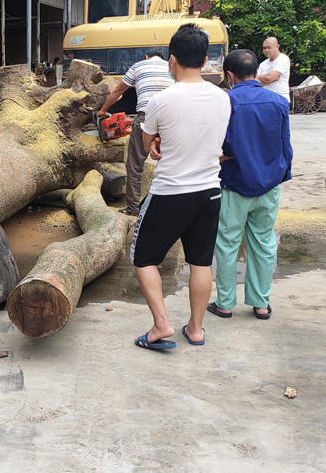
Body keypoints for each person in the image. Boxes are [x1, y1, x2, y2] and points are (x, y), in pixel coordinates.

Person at [130, 23, 231, 351]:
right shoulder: (223, 98)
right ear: (204, 61)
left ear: (172, 60)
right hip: (210, 192)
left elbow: (148, 146)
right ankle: (197, 329)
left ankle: (161, 325)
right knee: (200, 262)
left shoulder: (161, 100)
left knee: (144, 258)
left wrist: (157, 142)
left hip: (171, 191)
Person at [207, 49, 293, 321]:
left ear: (229, 75)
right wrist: (281, 175)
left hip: (234, 183)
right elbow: (285, 147)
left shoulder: (224, 101)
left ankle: (225, 303)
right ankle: (261, 303)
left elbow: (215, 144)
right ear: (256, 72)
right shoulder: (277, 102)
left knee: (228, 243)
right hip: (268, 184)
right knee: (264, 243)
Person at [96, 49, 174, 216]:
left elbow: (117, 92)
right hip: (171, 119)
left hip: (146, 117)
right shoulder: (171, 67)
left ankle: (133, 209)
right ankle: (167, 208)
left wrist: (103, 110)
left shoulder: (138, 66)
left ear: (147, 57)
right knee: (170, 163)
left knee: (135, 165)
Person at [257, 36, 290, 103]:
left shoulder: (283, 59)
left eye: (269, 47)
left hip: (280, 100)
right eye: (264, 48)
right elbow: (256, 83)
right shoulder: (262, 64)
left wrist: (259, 77)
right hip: (265, 100)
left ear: (277, 47)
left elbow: (269, 77)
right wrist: (269, 79)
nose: (266, 50)